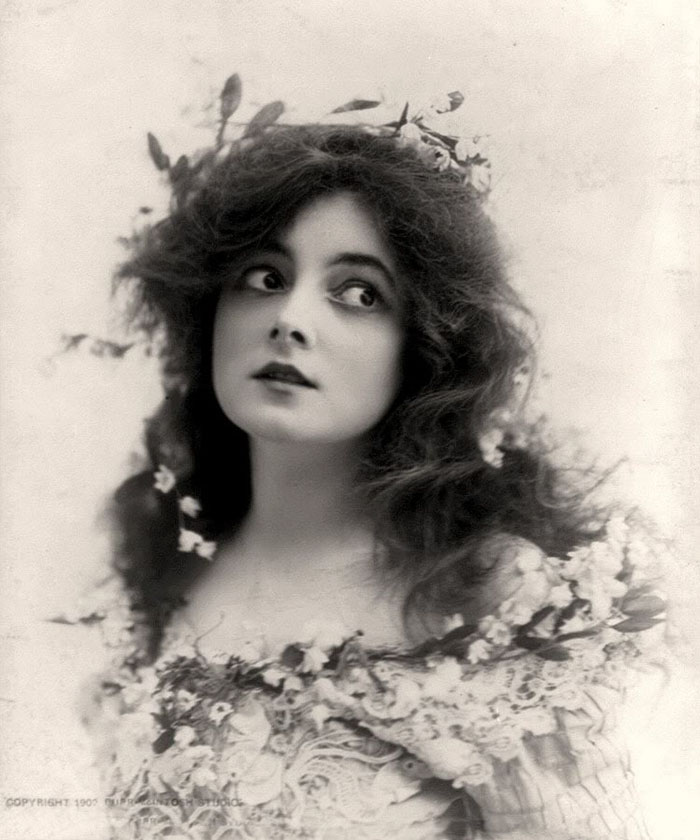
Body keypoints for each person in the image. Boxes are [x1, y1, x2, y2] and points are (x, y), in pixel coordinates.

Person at [76, 85, 665, 839]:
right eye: (265, 277)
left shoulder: (486, 597)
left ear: (421, 351)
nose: (290, 320)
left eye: (358, 292)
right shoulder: (165, 556)